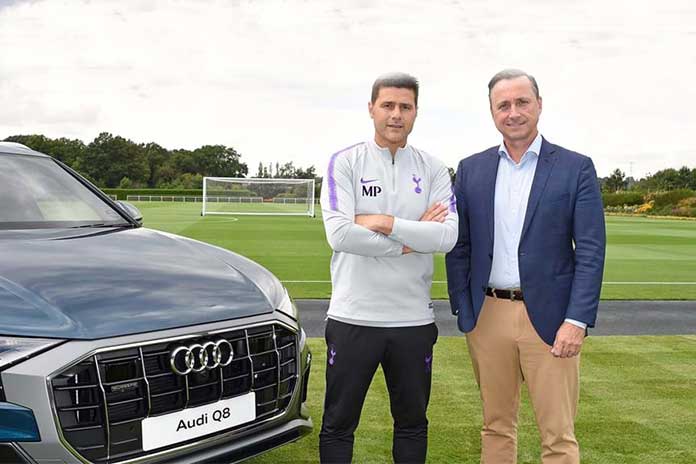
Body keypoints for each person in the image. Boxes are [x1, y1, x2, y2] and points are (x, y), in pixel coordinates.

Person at [445, 69, 606, 464]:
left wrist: (577, 320)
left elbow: (590, 250)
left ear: (539, 105)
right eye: (503, 105)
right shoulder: (470, 169)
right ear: (492, 112)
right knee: (496, 427)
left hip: (552, 320)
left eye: (522, 102)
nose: (513, 112)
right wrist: (464, 308)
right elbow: (459, 245)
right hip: (488, 315)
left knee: (558, 436)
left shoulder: (575, 168)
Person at [319, 72, 458, 464]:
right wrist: (412, 241)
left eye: (405, 107)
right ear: (371, 109)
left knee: (412, 424)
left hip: (412, 320)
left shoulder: (434, 169)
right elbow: (340, 235)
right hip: (353, 317)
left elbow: (447, 236)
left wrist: (384, 222)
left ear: (416, 112)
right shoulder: (346, 162)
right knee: (338, 424)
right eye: (388, 105)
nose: (396, 114)